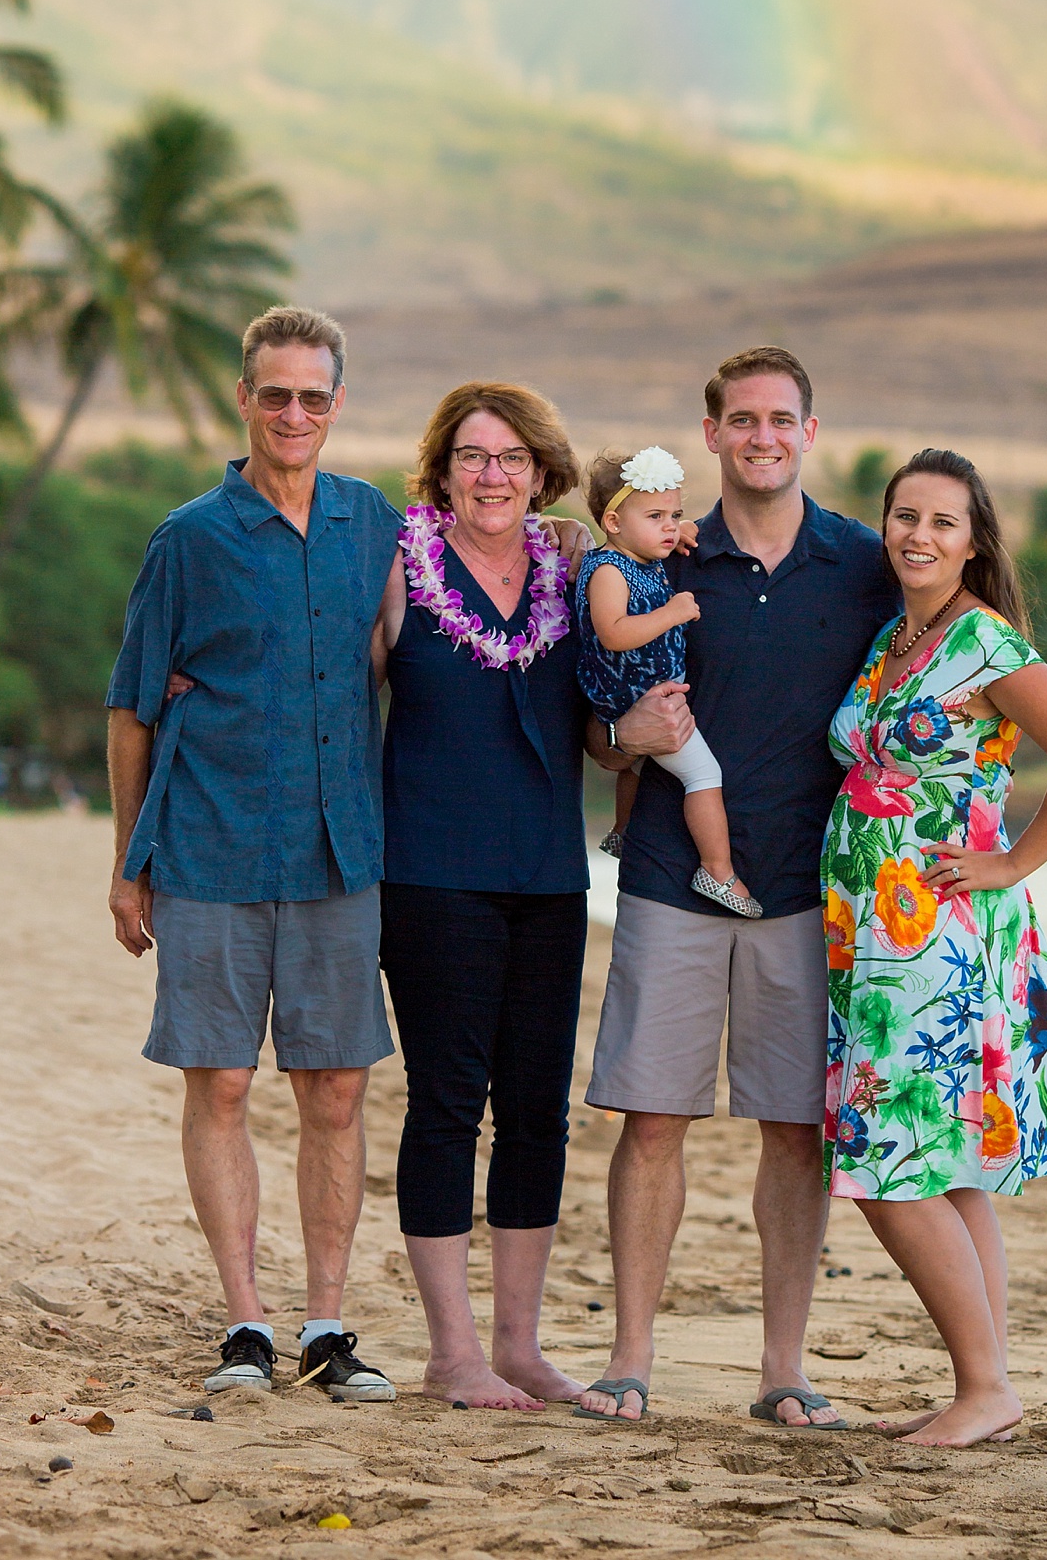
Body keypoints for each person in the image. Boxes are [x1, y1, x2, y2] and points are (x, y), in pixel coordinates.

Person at [577, 346, 901, 1428]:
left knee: (795, 1131)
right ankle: (629, 1357)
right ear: (712, 433)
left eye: (782, 418)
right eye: (742, 419)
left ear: (810, 431)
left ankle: (783, 1364)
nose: (762, 435)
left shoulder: (864, 563)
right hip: (675, 877)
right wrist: (623, 736)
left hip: (814, 884)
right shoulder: (661, 552)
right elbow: (600, 712)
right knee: (655, 1117)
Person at [106, 306, 401, 1402]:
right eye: (274, 393)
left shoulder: (374, 522)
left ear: (336, 404)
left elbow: (471, 566)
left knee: (333, 1089)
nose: (293, 412)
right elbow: (131, 709)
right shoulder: (188, 536)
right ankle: (246, 1321)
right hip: (209, 843)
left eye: (313, 396)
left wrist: (569, 536)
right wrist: (127, 863)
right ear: (245, 397)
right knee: (222, 1079)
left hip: (339, 846)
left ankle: (328, 1324)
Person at [823, 447, 1047, 1447]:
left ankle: (985, 1387)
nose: (919, 533)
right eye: (905, 515)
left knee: (883, 1156)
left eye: (943, 521)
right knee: (948, 1166)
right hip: (873, 933)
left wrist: (1013, 861)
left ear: (974, 540)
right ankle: (984, 1385)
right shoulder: (896, 638)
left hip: (936, 934)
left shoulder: (985, 642)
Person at [372, 381, 596, 1412]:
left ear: (542, 472)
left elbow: (614, 700)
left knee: (539, 1113)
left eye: (511, 457)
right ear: (442, 470)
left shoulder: (578, 569)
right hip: (430, 869)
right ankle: (452, 1350)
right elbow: (330, 681)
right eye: (472, 455)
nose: (492, 474)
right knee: (449, 1103)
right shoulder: (397, 567)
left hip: (550, 873)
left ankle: (519, 1343)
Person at [577, 445, 760, 917]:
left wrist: (678, 529)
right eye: (655, 515)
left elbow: (669, 533)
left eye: (674, 513)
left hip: (642, 689)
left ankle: (622, 831)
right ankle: (718, 869)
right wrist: (672, 612)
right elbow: (614, 633)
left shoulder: (638, 554)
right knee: (703, 774)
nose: (669, 526)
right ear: (614, 524)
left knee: (636, 767)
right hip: (635, 695)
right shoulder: (608, 571)